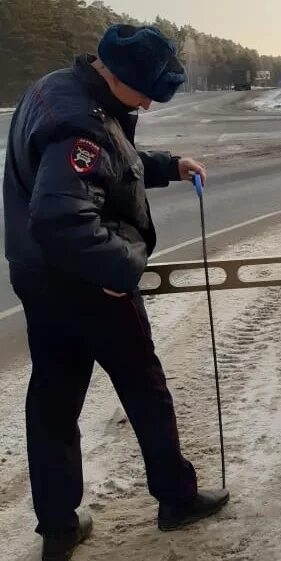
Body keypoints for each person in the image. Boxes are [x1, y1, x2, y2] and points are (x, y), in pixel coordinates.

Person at [2, 24, 229, 561]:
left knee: (54, 398)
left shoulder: (61, 89)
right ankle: (176, 498)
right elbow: (62, 217)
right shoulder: (79, 125)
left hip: (39, 278)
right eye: (146, 93)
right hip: (87, 284)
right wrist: (124, 268)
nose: (149, 104)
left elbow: (110, 164)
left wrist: (168, 165)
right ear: (117, 76)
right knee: (144, 387)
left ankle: (58, 526)